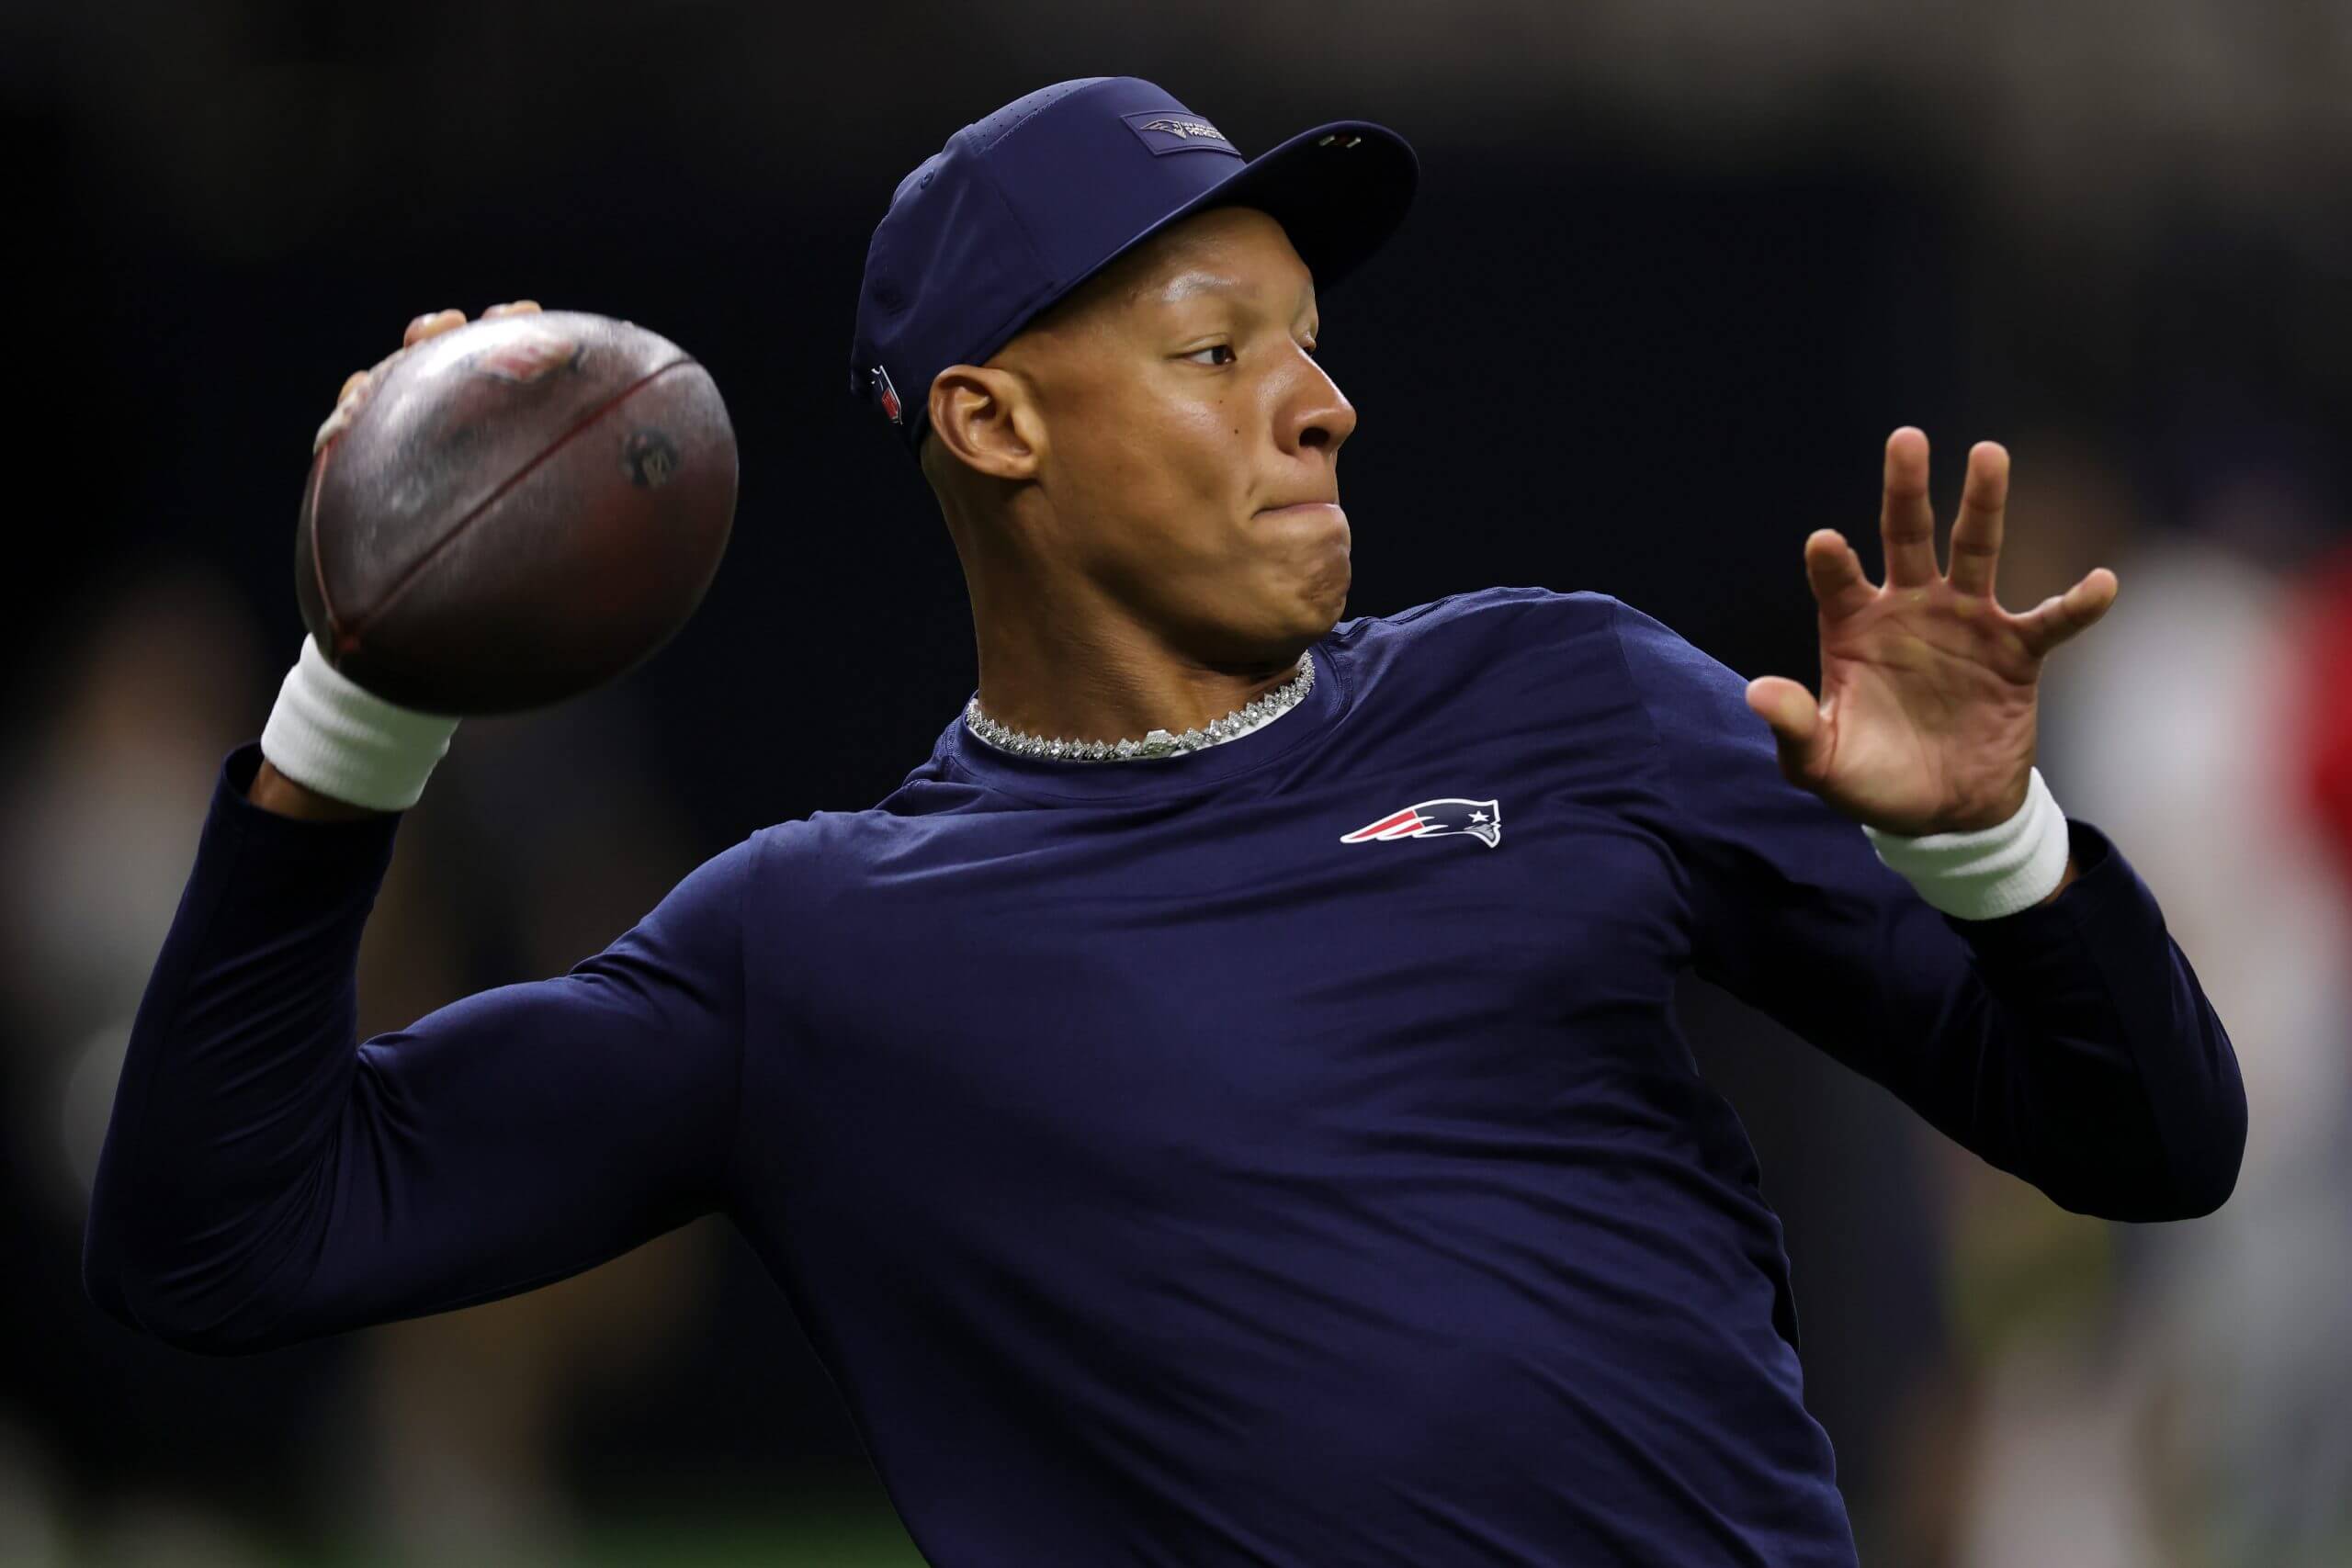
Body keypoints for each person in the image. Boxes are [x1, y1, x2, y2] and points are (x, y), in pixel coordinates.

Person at [84, 76, 2245, 1565]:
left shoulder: (1563, 694)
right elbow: (217, 1234)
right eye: (1217, 347)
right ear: (993, 417)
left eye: (1305, 342)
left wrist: (1992, 844)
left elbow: (2152, 1139)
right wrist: (357, 691)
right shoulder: (820, 948)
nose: (1322, 399)